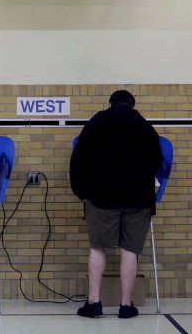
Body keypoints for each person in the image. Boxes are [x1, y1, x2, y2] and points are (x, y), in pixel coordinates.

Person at [70, 90, 163, 319]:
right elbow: (157, 160)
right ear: (132, 105)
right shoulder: (144, 127)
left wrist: (81, 192)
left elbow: (78, 159)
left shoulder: (95, 123)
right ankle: (126, 305)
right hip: (138, 198)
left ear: (110, 103)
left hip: (102, 197)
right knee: (130, 250)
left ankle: (94, 303)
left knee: (98, 246)